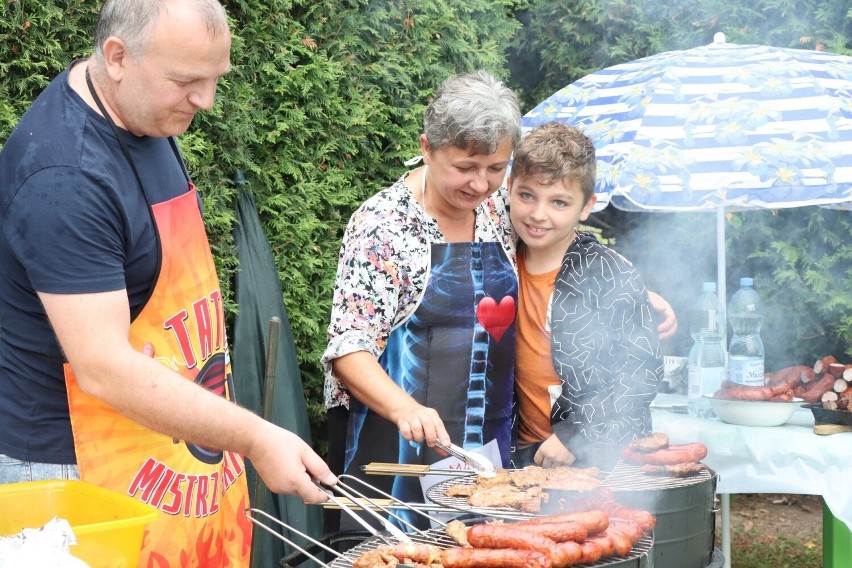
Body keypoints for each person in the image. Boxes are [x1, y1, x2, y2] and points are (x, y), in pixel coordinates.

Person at [0, 0, 335, 564]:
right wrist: (255, 437)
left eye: (214, 79)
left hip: (154, 441)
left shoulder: (141, 112)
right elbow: (105, 369)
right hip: (69, 468)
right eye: (186, 81)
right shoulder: (66, 175)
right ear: (117, 57)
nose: (205, 101)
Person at [321, 71, 677, 530]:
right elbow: (348, 347)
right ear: (428, 149)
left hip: (487, 457)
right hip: (394, 444)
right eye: (464, 167)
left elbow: (554, 242)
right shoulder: (382, 227)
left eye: (495, 169)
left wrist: (629, 290)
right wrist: (403, 407)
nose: (480, 185)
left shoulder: (494, 210)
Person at [507, 121, 664, 470]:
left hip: (598, 459)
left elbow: (641, 372)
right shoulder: (502, 255)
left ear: (586, 206)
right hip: (523, 454)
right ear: (509, 188)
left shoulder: (608, 273)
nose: (538, 214)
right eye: (527, 195)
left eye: (559, 202)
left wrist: (577, 434)